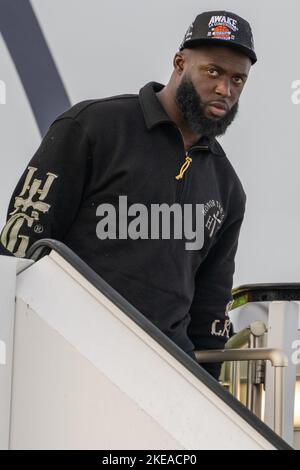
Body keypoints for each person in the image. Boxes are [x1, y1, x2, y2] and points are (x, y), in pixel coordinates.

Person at [0, 10, 256, 379]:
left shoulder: (227, 187)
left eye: (238, 79)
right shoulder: (92, 127)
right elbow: (19, 247)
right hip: (65, 363)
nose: (224, 89)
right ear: (180, 63)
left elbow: (208, 314)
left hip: (164, 378)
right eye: (213, 71)